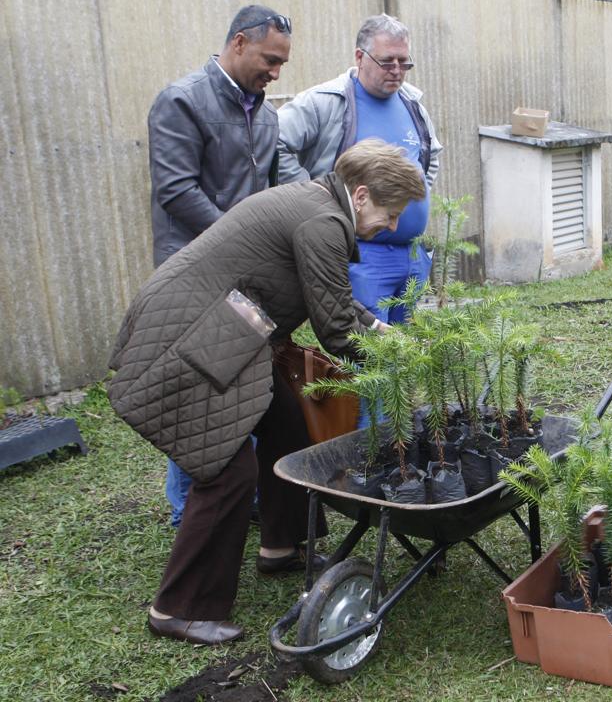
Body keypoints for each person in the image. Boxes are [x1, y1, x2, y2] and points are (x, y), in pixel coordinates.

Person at [107, 140, 426, 645]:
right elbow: (337, 331)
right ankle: (179, 608)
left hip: (223, 332)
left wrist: (390, 335)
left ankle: (282, 545)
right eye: (389, 215)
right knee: (225, 471)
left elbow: (335, 302)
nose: (390, 227)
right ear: (361, 195)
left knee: (286, 430)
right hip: (192, 337)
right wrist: (399, 368)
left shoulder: (317, 205)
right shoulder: (323, 222)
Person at [147, 5, 292, 526]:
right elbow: (176, 190)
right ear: (237, 43)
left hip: (245, 281)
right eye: (269, 60)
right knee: (199, 395)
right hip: (193, 279)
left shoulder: (269, 116)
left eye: (281, 65)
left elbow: (272, 195)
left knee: (241, 388)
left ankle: (242, 496)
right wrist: (240, 243)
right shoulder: (182, 101)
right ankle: (188, 510)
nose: (275, 73)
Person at [277, 13, 442, 326]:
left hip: (410, 256)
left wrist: (415, 201)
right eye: (387, 61)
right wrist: (313, 197)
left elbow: (431, 154)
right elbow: (275, 142)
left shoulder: (412, 102)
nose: (397, 71)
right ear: (359, 56)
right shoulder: (325, 101)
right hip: (362, 257)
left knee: (405, 357)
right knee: (368, 358)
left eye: (404, 63)